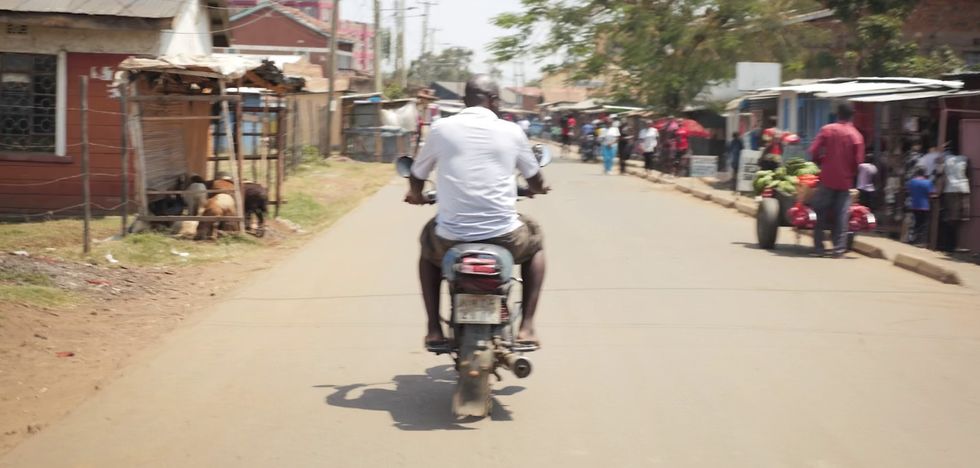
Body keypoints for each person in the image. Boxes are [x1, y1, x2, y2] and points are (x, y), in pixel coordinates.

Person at [405, 75, 550, 348]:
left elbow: (417, 174)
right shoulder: (512, 131)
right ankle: (527, 326)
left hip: (450, 239)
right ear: (494, 101)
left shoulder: (441, 128)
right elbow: (535, 179)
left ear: (464, 101)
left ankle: (434, 328)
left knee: (427, 248)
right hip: (505, 237)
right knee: (535, 241)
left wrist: (415, 194)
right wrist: (539, 188)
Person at [808, 102, 865, 258]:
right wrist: (850, 173)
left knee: (820, 212)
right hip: (845, 182)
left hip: (827, 178)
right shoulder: (856, 136)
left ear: (837, 114)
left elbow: (813, 151)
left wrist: (820, 162)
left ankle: (819, 248)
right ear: (852, 116)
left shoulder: (827, 130)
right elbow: (858, 162)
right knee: (842, 215)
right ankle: (839, 250)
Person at [905, 166, 934, 245]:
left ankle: (913, 239)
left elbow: (908, 191)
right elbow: (931, 194)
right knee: (923, 224)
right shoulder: (928, 182)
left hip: (914, 205)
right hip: (925, 206)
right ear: (925, 173)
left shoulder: (912, 181)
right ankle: (921, 241)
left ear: (917, 172)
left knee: (915, 223)